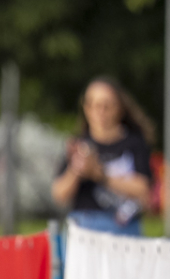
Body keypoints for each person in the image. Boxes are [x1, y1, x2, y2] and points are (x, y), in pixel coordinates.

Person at [51, 76, 156, 236]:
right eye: (95, 105)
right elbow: (59, 193)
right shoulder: (79, 144)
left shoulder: (134, 143)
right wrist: (77, 170)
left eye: (107, 106)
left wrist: (100, 175)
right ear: (86, 108)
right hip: (85, 226)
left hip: (125, 227)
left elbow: (144, 190)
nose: (101, 112)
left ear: (120, 107)